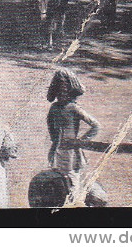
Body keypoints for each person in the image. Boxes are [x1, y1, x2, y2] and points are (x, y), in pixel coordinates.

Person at [46, 68, 102, 203]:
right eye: (59, 90)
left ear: (71, 91)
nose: (61, 94)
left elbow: (96, 125)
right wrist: (55, 142)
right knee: (58, 186)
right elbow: (50, 126)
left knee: (73, 186)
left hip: (71, 155)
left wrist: (79, 142)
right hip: (57, 154)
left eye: (65, 90)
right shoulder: (53, 108)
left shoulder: (74, 108)